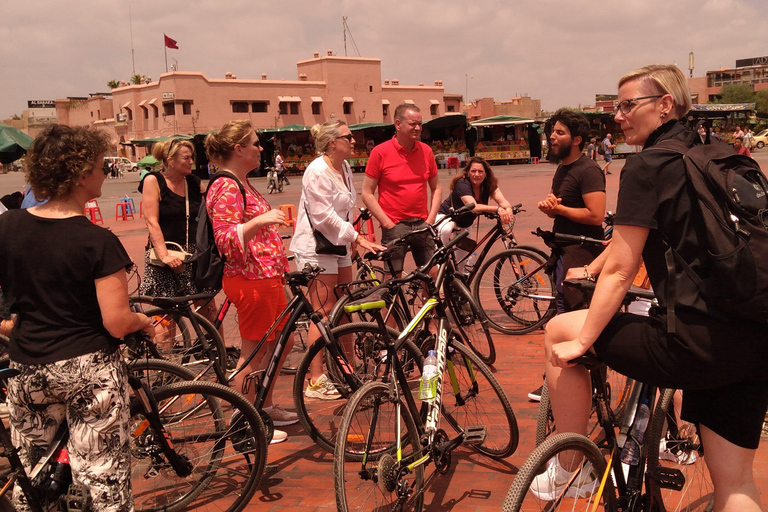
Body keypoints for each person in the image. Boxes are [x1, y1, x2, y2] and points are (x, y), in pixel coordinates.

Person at [541, 64, 767, 512]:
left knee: (559, 333)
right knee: (737, 484)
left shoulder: (647, 165)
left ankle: (572, 469)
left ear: (665, 105)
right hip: (754, 334)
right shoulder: (717, 155)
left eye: (628, 105)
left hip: (696, 343)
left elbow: (623, 270)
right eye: (615, 106)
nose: (618, 116)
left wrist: (584, 340)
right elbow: (636, 240)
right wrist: (592, 268)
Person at [0, 124, 154, 511]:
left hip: (27, 365)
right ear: (81, 173)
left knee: (34, 473)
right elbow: (117, 321)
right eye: (101, 167)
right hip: (88, 369)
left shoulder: (7, 227)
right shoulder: (97, 241)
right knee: (101, 478)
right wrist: (143, 322)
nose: (105, 174)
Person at [204, 120, 295, 444]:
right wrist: (262, 220)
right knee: (254, 352)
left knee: (282, 342)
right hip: (250, 279)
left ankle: (263, 405)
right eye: (255, 144)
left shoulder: (241, 181)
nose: (261, 149)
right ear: (238, 149)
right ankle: (243, 421)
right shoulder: (227, 185)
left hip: (266, 277)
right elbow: (226, 239)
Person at [290, 120, 384, 399]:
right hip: (316, 247)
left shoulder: (342, 167)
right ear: (333, 142)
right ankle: (315, 379)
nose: (355, 141)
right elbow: (322, 217)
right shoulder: (316, 171)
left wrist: (351, 239)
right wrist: (356, 238)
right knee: (323, 311)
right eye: (349, 137)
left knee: (344, 305)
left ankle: (346, 368)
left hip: (338, 242)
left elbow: (343, 210)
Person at [529, 109, 606, 402]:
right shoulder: (563, 168)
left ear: (577, 139)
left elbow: (596, 215)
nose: (552, 137)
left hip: (582, 254)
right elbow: (561, 204)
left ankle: (582, 388)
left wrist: (559, 210)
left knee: (575, 321)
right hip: (564, 252)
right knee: (563, 319)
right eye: (552, 132)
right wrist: (551, 207)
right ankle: (558, 384)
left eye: (559, 133)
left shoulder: (588, 170)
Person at [138, 139, 218, 321]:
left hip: (194, 256)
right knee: (165, 320)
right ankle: (168, 350)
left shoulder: (194, 182)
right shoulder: (153, 181)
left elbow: (211, 214)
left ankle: (214, 349)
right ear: (170, 160)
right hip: (165, 256)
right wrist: (165, 255)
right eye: (186, 158)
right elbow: (151, 221)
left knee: (208, 312)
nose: (191, 162)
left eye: (192, 157)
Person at [362, 104, 441, 275]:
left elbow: (437, 188)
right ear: (398, 124)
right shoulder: (380, 152)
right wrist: (387, 223)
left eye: (420, 124)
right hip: (395, 225)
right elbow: (367, 193)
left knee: (431, 274)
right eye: (413, 124)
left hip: (422, 223)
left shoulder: (426, 151)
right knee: (393, 277)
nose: (418, 128)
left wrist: (431, 219)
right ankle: (393, 303)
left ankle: (428, 302)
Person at [435, 156, 514, 267]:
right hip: (445, 217)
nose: (476, 174)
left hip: (464, 223)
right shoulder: (462, 184)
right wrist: (497, 209)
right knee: (446, 231)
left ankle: (457, 281)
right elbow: (473, 207)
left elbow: (503, 201)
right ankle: (438, 260)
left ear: (486, 173)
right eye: (473, 171)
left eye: (480, 171)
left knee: (462, 262)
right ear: (468, 172)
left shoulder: (489, 185)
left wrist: (509, 210)